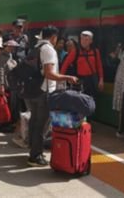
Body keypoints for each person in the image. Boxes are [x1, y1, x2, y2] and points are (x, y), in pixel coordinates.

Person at [26, 26, 78, 167]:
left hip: (33, 91)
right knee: (42, 125)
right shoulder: (48, 50)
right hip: (44, 92)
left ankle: (33, 150)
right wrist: (67, 77)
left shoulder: (35, 47)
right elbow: (49, 73)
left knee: (34, 122)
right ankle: (35, 156)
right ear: (54, 37)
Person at [60, 31, 104, 99]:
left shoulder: (95, 51)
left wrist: (101, 80)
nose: (83, 41)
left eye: (86, 40)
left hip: (93, 80)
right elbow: (65, 64)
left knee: (93, 101)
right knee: (81, 102)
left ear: (91, 41)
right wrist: (61, 79)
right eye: (82, 39)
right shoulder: (76, 51)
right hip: (81, 81)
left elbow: (99, 66)